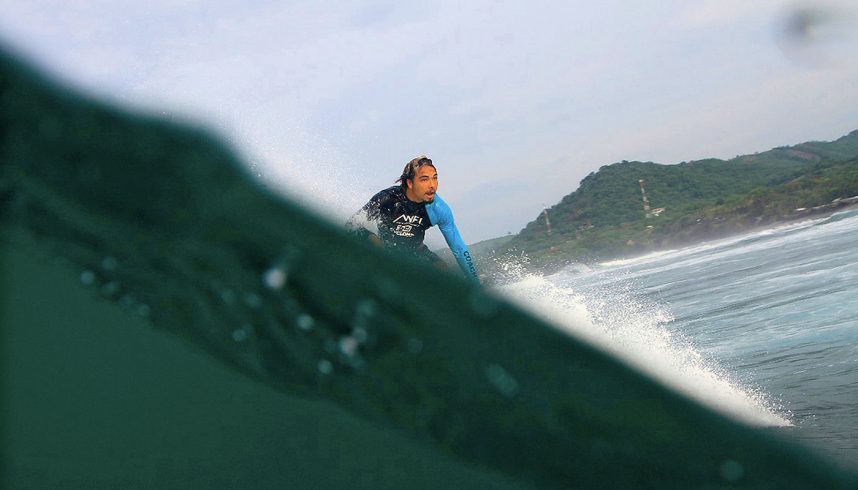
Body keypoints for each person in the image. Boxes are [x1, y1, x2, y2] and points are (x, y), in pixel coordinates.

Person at [347, 155, 480, 284]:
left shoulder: (438, 209)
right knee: (376, 244)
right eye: (424, 179)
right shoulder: (387, 198)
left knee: (442, 270)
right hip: (383, 249)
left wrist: (476, 284)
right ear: (410, 183)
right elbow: (351, 225)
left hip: (414, 251)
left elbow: (459, 248)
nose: (432, 185)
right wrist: (372, 240)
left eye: (435, 178)